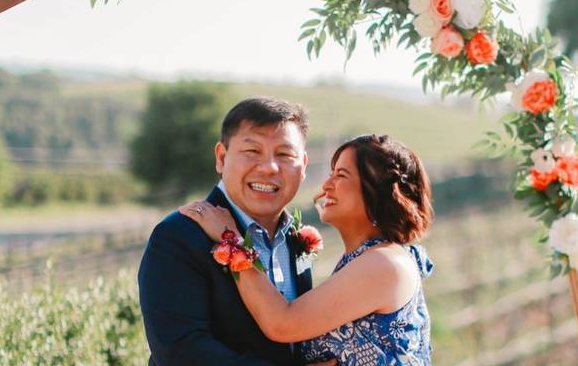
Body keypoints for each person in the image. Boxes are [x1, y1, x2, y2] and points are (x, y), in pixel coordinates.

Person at [180, 133, 435, 365]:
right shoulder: (368, 258)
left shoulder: (384, 264)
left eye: (341, 175)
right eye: (331, 173)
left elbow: (282, 323)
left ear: (377, 191)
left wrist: (232, 240)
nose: (326, 185)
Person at [138, 96, 323, 366]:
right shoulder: (178, 236)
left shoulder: (296, 239)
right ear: (222, 157)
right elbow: (181, 352)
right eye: (252, 152)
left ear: (303, 166)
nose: (269, 167)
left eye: (284, 154)